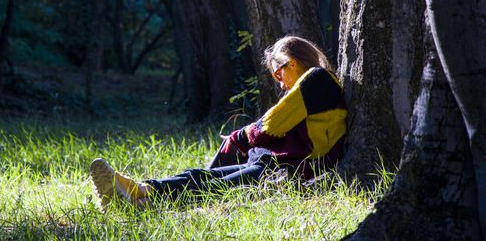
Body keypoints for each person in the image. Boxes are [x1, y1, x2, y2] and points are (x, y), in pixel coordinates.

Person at [90, 36, 347, 208]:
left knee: (216, 186)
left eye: (278, 73)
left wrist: (241, 137)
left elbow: (273, 124)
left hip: (291, 173)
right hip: (274, 165)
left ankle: (140, 200)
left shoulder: (318, 79)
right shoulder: (312, 86)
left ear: (291, 62)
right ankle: (135, 191)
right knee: (200, 176)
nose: (279, 83)